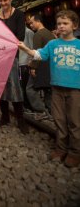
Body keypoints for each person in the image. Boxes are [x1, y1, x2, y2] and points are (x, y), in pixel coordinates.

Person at [18, 10, 80, 167]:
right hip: (57, 89)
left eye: (65, 23)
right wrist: (25, 48)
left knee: (75, 121)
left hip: (75, 90)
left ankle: (74, 152)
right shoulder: (53, 44)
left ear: (75, 25)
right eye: (59, 23)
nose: (61, 26)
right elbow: (38, 55)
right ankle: (61, 149)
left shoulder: (79, 45)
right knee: (59, 119)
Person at [0, 0, 29, 134]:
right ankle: (5, 117)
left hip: (11, 57)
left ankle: (21, 120)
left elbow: (20, 36)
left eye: (5, 0)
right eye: (0, 1)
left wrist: (4, 40)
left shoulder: (19, 14)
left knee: (15, 87)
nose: (3, 3)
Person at [26, 14, 55, 120]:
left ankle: (41, 110)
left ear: (38, 21)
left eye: (32, 23)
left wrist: (33, 67)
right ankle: (52, 113)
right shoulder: (50, 33)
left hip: (41, 67)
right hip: (50, 67)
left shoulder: (38, 34)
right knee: (48, 90)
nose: (31, 25)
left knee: (29, 89)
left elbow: (37, 53)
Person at [18, 25, 34, 110]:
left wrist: (30, 62)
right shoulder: (17, 32)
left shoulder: (28, 32)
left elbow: (32, 47)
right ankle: (24, 105)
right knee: (21, 85)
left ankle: (28, 105)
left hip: (25, 63)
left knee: (25, 86)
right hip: (19, 63)